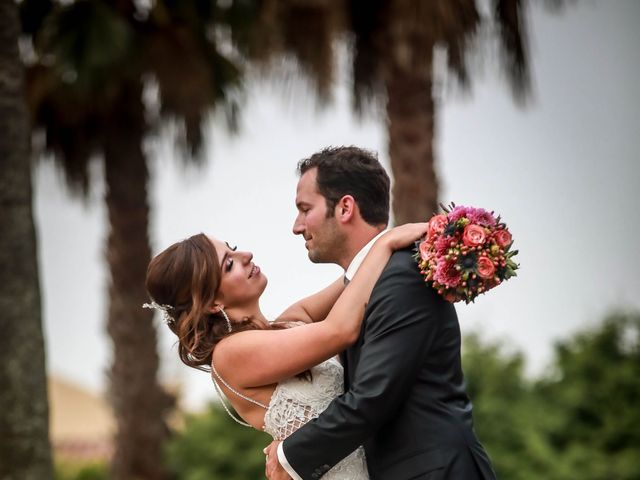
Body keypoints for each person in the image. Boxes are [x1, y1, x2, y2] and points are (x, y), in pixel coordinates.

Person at [265, 146, 497, 480]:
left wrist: (289, 457)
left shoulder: (402, 275)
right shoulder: (366, 282)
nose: (297, 226)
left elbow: (374, 395)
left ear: (345, 208)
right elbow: (290, 324)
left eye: (305, 209)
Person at [145, 220, 428, 478]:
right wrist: (386, 242)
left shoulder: (289, 323)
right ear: (212, 304)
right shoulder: (230, 354)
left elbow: (353, 280)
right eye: (229, 264)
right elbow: (340, 329)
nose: (246, 256)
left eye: (233, 249)